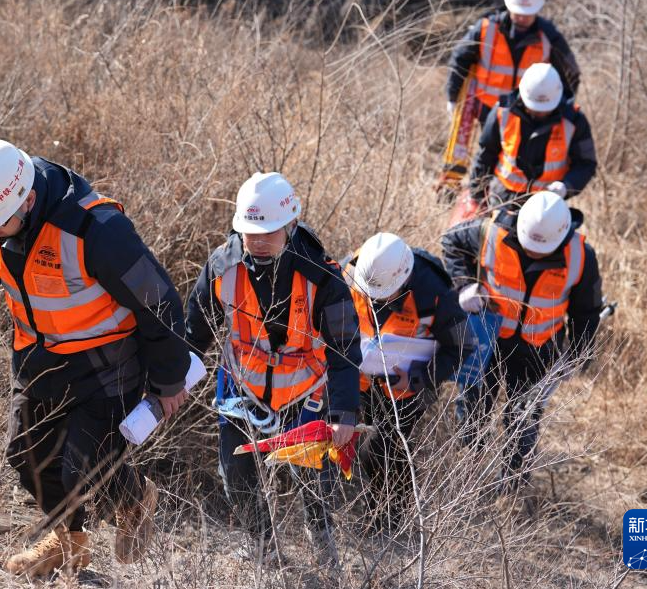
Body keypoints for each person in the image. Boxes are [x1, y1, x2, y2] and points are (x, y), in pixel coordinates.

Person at [0, 139, 190, 576]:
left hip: (108, 361)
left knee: (81, 468)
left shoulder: (96, 229)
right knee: (28, 457)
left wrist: (169, 382)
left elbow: (159, 302)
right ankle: (68, 544)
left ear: (29, 200)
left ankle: (133, 499)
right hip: (36, 356)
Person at [185, 172, 361, 567]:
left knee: (314, 481)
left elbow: (345, 349)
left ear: (291, 225)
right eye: (249, 232)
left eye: (267, 232)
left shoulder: (324, 277)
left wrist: (344, 413)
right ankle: (265, 552)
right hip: (242, 391)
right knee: (236, 477)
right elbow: (193, 334)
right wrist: (168, 383)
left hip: (305, 394)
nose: (257, 241)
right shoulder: (220, 267)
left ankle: (323, 545)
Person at [441, 191, 603, 490]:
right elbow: (451, 243)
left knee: (523, 419)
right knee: (473, 406)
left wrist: (577, 356)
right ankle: (467, 474)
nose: (534, 254)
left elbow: (587, 312)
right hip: (488, 339)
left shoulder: (581, 256)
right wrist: (464, 285)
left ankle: (512, 488)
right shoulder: (491, 230)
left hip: (539, 348)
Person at [343, 233, 474, 529]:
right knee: (370, 446)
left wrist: (418, 378)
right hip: (361, 378)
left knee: (381, 445)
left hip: (409, 386)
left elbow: (463, 346)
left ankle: (389, 518)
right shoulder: (354, 275)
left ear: (403, 279)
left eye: (384, 294)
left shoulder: (433, 292)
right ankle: (378, 509)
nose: (376, 300)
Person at [445, 0, 581, 179]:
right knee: (483, 154)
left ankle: (493, 196)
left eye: (527, 13)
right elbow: (460, 59)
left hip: (522, 115)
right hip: (484, 107)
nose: (522, 18)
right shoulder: (485, 29)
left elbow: (570, 74)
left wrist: (560, 107)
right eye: (518, 12)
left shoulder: (549, 37)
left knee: (506, 163)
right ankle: (458, 190)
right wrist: (452, 97)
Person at [469, 63, 597, 209]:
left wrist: (566, 186)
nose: (540, 113)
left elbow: (586, 164)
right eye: (535, 108)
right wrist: (477, 197)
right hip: (503, 198)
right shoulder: (502, 112)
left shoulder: (574, 121)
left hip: (547, 205)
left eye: (545, 109)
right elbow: (486, 154)